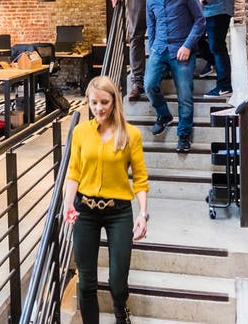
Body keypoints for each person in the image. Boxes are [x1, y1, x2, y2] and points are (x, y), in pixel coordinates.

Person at [63, 75, 149, 324]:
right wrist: (68, 204)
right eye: (93, 103)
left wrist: (142, 214)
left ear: (114, 102)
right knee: (87, 282)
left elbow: (140, 179)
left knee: (117, 281)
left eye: (104, 102)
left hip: (118, 212)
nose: (99, 109)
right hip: (84, 211)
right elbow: (74, 172)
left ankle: (121, 310)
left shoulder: (131, 135)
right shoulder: (80, 132)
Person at [141, 0, 205, 153]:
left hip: (181, 49)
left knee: (184, 95)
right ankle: (163, 115)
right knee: (149, 85)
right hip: (159, 49)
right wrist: (152, 48)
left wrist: (187, 45)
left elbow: (200, 20)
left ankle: (183, 134)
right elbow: (151, 25)